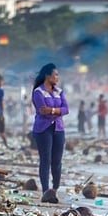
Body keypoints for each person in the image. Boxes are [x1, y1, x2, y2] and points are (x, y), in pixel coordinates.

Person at [31, 63, 68, 203]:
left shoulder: (59, 91)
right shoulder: (38, 92)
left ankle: (55, 188)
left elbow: (66, 109)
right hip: (43, 129)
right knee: (45, 160)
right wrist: (58, 111)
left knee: (57, 161)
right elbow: (42, 111)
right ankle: (45, 191)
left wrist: (52, 110)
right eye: (55, 75)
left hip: (58, 128)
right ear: (47, 76)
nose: (57, 77)